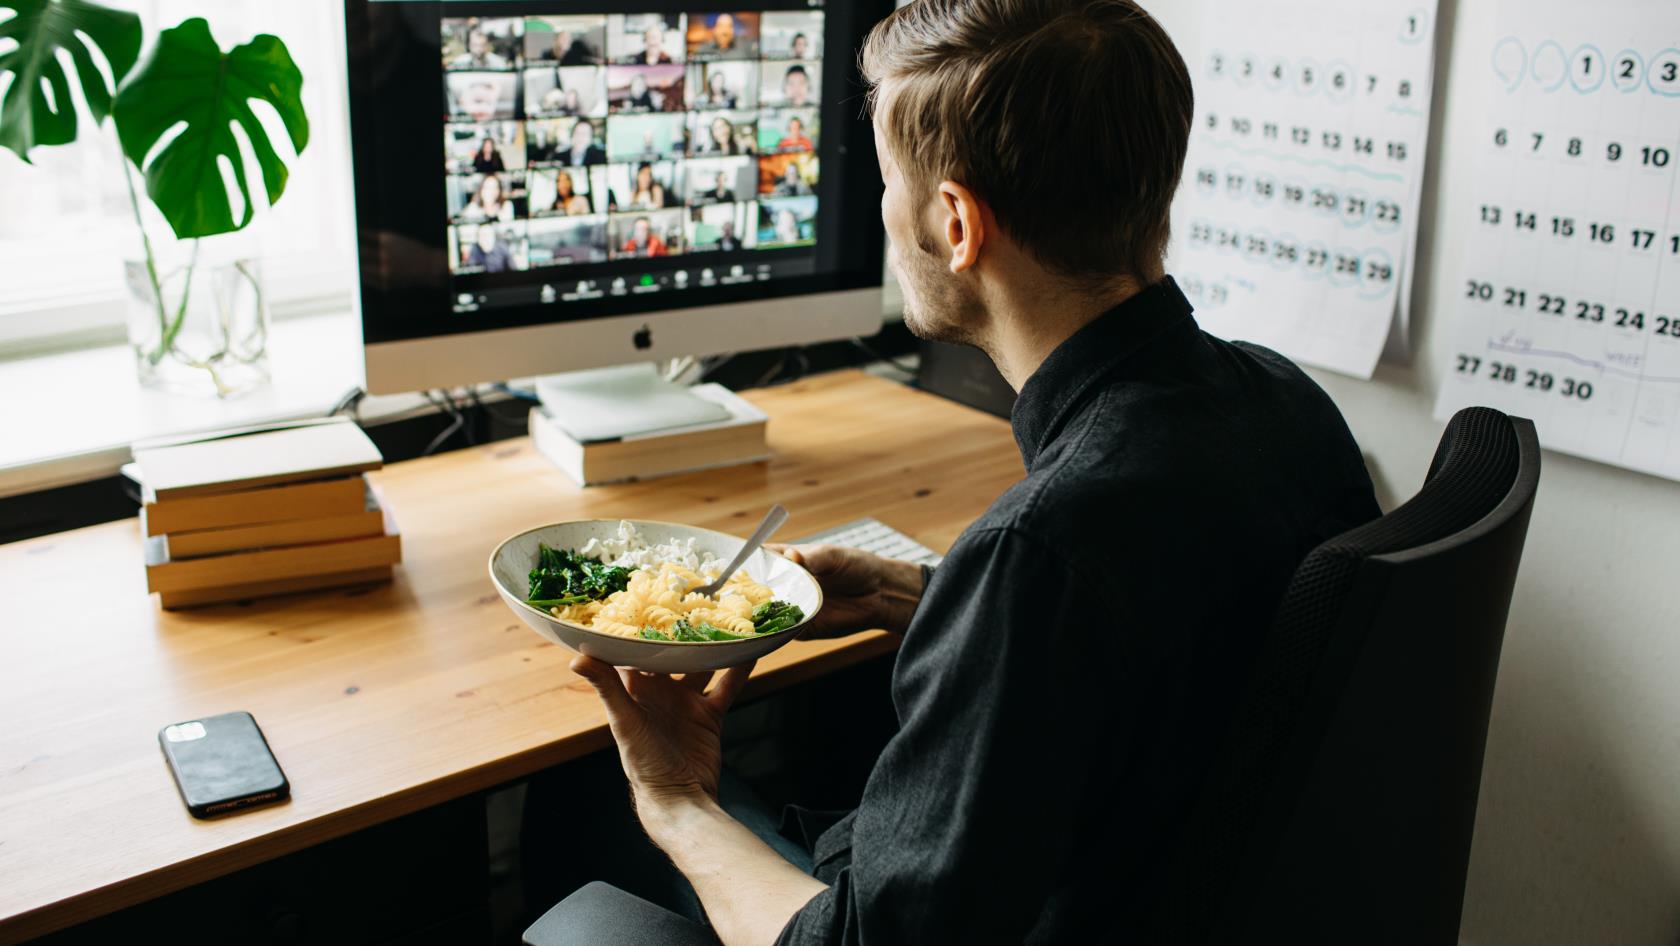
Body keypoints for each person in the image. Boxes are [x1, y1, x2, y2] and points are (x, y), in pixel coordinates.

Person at [557, 1, 1383, 944]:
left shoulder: (1042, 551)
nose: (880, 210)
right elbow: (1173, 647)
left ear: (955, 223)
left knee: (594, 806)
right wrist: (919, 593)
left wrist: (674, 802)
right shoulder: (1283, 403)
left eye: (884, 183)